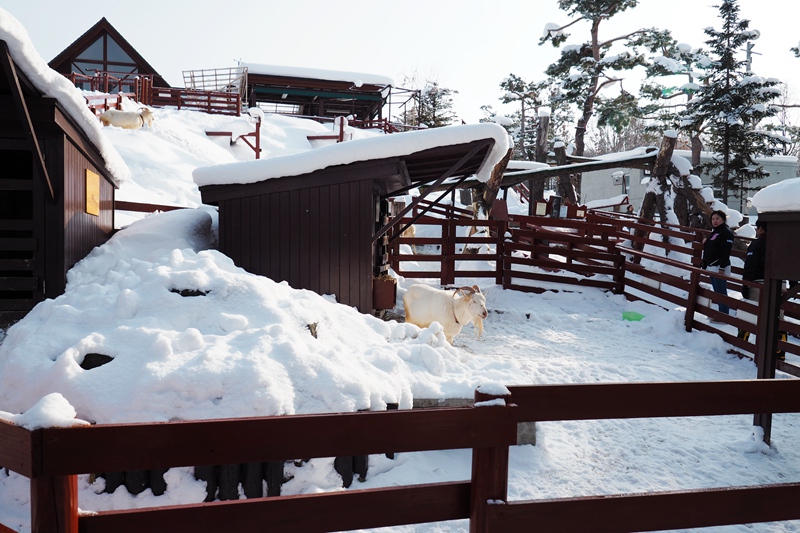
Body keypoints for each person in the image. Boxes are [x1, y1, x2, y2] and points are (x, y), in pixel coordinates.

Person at [736, 221, 787, 359]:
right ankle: (780, 351)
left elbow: (750, 266)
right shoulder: (781, 245)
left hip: (759, 284)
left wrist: (746, 285)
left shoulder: (757, 244)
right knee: (778, 317)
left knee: (750, 311)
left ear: (761, 229)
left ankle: (742, 344)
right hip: (780, 285)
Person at [701, 210, 734, 316]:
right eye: (713, 219)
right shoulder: (715, 232)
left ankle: (723, 314)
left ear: (723, 220)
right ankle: (721, 313)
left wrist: (722, 268)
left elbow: (725, 251)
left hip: (720, 266)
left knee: (721, 292)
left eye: (717, 219)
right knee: (717, 291)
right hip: (712, 265)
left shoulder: (726, 233)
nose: (715, 221)